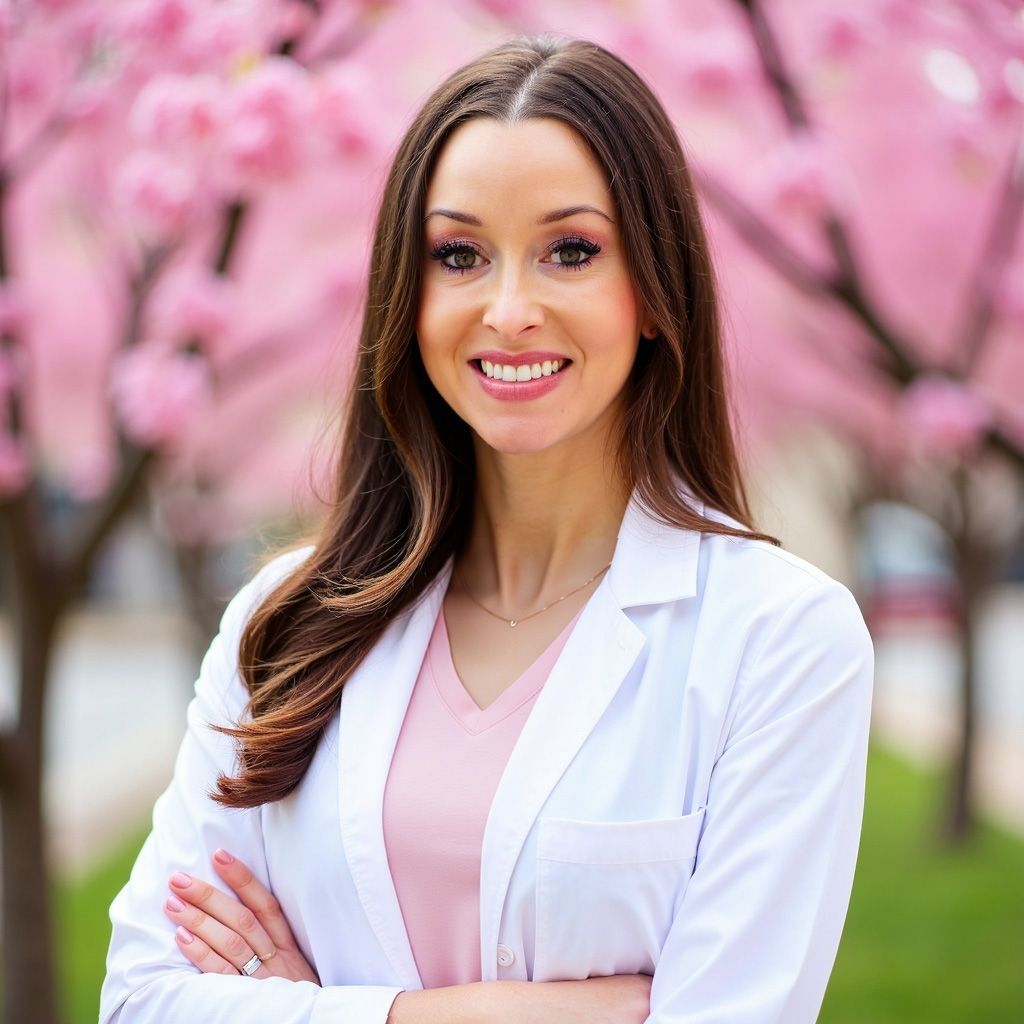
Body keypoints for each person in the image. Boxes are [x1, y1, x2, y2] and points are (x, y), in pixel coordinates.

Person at [100, 33, 874, 1024]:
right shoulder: (286, 620)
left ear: (653, 291)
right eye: (458, 255)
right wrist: (482, 1013)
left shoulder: (778, 640)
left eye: (571, 251)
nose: (508, 309)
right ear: (406, 294)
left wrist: (305, 1007)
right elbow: (141, 999)